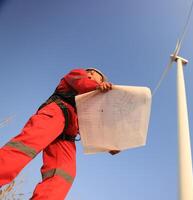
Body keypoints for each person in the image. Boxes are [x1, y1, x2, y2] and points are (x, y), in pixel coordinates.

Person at [0, 68, 120, 199]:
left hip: (67, 138)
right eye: (89, 72)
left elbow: (89, 127)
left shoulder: (90, 104)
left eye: (96, 75)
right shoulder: (78, 74)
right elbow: (82, 82)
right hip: (55, 114)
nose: (90, 74)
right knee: (24, 148)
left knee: (64, 174)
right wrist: (97, 87)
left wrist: (107, 144)